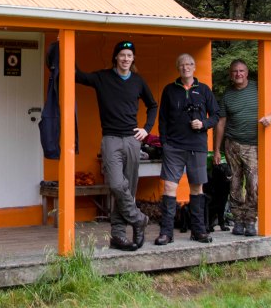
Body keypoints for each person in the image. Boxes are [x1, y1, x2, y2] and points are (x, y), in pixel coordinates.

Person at [76, 40, 159, 251]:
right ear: (116, 57)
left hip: (132, 140)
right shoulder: (103, 78)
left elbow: (152, 105)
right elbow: (78, 75)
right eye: (122, 55)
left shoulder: (138, 81)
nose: (125, 59)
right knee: (115, 184)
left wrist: (147, 129)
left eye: (129, 56)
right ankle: (138, 218)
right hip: (111, 139)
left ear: (133, 59)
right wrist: (60, 48)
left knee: (127, 189)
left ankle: (119, 236)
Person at [155, 53, 220, 245]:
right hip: (173, 147)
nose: (186, 67)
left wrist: (205, 124)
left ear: (194, 67)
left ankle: (198, 231)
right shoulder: (169, 90)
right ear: (178, 67)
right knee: (169, 187)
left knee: (197, 187)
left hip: (197, 147)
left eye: (190, 64)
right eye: (182, 64)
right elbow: (163, 120)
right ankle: (166, 233)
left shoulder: (204, 90)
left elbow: (216, 115)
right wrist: (165, 144)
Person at [213, 59, 271, 237]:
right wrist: (217, 149)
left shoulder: (259, 88)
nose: (238, 74)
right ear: (231, 74)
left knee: (253, 184)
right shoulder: (227, 94)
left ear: (247, 73)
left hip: (253, 145)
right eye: (235, 71)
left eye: (241, 71)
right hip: (232, 144)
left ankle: (250, 220)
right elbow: (221, 123)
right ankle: (238, 220)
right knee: (234, 183)